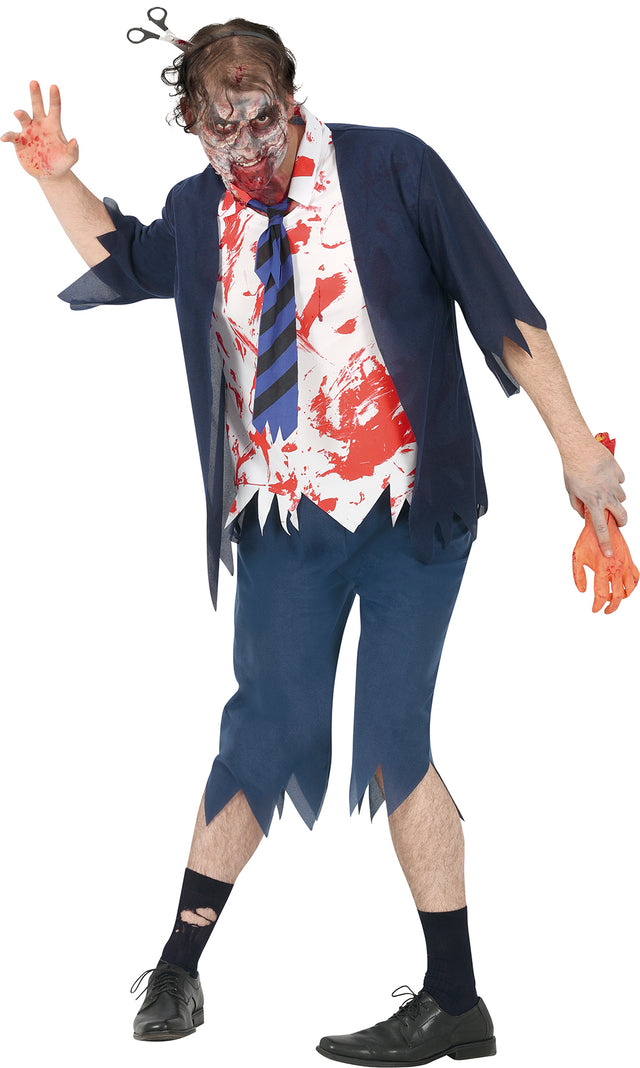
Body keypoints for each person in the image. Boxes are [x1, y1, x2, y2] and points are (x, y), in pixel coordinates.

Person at [2, 17, 632, 1065]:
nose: (248, 147)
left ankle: (455, 999)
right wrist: (58, 179)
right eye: (222, 131)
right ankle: (179, 965)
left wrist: (577, 450)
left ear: (291, 99)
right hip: (283, 523)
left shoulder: (393, 169)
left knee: (392, 736)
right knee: (265, 733)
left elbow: (504, 311)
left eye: (262, 121)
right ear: (194, 127)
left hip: (410, 509)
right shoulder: (202, 208)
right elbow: (124, 257)